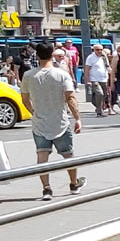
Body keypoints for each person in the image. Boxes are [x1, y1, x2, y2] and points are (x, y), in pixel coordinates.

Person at [20, 41, 87, 200]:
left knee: (42, 156)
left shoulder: (29, 76)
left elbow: (24, 99)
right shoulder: (62, 74)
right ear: (52, 55)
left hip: (39, 122)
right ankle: (73, 183)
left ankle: (47, 188)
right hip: (60, 121)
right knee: (68, 155)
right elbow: (70, 97)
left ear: (37, 56)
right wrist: (77, 118)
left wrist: (33, 111)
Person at [82, 43, 112, 117]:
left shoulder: (104, 57)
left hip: (104, 78)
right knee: (99, 93)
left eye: (101, 50)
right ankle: (99, 111)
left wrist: (112, 75)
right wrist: (87, 80)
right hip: (94, 79)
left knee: (104, 95)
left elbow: (107, 66)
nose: (99, 51)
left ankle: (100, 108)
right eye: (97, 50)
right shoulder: (90, 58)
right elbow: (87, 69)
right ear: (94, 50)